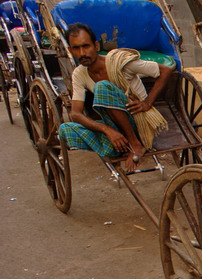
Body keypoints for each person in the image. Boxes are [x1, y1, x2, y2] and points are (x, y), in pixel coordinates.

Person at [58, 23, 172, 172]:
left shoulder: (119, 63)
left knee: (102, 87)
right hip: (114, 126)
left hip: (140, 121)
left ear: (96, 46)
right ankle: (118, 144)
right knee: (65, 129)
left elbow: (165, 70)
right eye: (76, 48)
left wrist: (147, 103)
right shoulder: (79, 73)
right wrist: (107, 130)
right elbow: (75, 113)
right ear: (70, 51)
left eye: (86, 46)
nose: (82, 53)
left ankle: (134, 144)